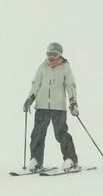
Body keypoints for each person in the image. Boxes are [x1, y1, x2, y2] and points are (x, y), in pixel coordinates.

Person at [23, 42, 79, 172]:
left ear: (60, 55)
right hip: (41, 107)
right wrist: (30, 99)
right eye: (49, 54)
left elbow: (70, 86)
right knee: (37, 135)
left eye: (54, 54)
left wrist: (73, 102)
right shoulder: (42, 67)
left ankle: (70, 160)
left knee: (61, 134)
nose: (51, 57)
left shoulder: (65, 68)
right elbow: (36, 84)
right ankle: (36, 161)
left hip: (58, 108)